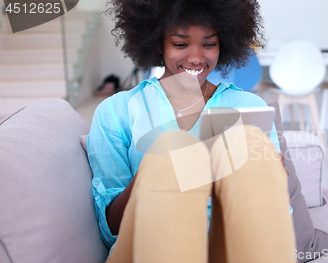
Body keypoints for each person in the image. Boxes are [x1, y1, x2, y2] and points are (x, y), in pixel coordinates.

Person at [87, 0, 296, 262]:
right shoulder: (116, 111)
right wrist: (149, 176)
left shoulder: (247, 106)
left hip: (226, 249)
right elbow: (111, 231)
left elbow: (276, 218)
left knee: (248, 146)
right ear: (157, 42)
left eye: (209, 44)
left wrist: (271, 178)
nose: (197, 57)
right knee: (171, 149)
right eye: (180, 44)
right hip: (145, 247)